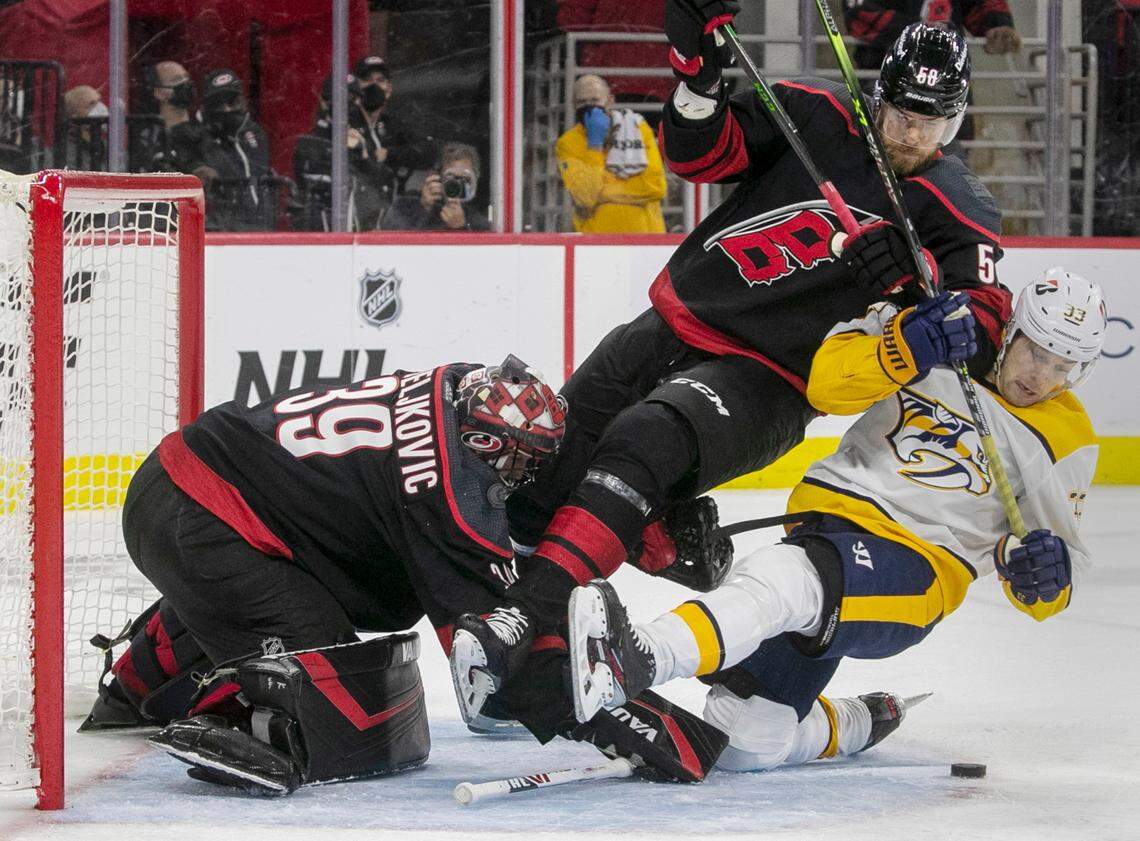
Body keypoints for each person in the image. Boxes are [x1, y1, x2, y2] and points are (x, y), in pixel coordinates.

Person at [449, 9, 1014, 728]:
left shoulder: (954, 207)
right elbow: (697, 153)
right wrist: (696, 71)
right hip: (670, 324)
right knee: (544, 474)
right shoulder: (814, 114)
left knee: (642, 443)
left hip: (768, 379)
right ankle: (528, 674)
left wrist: (917, 275)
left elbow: (984, 323)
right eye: (900, 112)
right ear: (881, 94)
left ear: (956, 123)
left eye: (929, 123)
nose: (909, 133)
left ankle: (520, 624)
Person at [82, 356, 726, 793]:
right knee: (348, 707)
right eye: (518, 463)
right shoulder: (452, 496)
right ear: (487, 449)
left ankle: (138, 677)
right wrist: (634, 723)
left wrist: (639, 526)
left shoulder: (461, 387)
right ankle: (239, 716)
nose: (523, 476)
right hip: (201, 522)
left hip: (189, 491)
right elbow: (493, 659)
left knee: (344, 591)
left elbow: (530, 483)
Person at [567, 268, 1105, 772]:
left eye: (1064, 367)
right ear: (1012, 332)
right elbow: (826, 384)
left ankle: (641, 656)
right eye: (1036, 352)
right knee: (746, 740)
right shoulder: (937, 333)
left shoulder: (1067, 435)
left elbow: (1053, 579)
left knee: (788, 579)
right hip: (829, 523)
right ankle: (854, 722)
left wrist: (1043, 574)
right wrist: (905, 345)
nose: (1043, 376)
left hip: (919, 566)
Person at [555, 74, 667, 233]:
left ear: (610, 101)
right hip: (596, 239)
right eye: (582, 102)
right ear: (574, 105)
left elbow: (655, 188)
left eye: (595, 100)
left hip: (646, 237)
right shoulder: (568, 143)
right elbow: (585, 196)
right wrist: (595, 146)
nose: (589, 107)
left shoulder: (637, 129)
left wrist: (603, 195)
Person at [292, 73, 390, 231]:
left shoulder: (363, 140)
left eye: (352, 99)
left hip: (358, 233)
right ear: (324, 102)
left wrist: (363, 155)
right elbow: (317, 191)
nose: (347, 105)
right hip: (320, 236)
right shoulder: (310, 143)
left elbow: (379, 193)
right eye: (339, 98)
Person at [845, 0, 1021, 73]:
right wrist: (926, 33)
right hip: (886, 73)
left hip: (949, 75)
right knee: (880, 143)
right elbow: (859, 15)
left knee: (954, 144)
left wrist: (998, 25)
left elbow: (981, 5)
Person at [198, 69, 272, 231]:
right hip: (214, 229)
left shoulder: (254, 133)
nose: (227, 110)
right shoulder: (198, 137)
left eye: (232, 101)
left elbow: (254, 178)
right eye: (218, 104)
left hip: (255, 227)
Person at [382, 142, 490, 231]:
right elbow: (388, 233)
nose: (457, 184)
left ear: (474, 181)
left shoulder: (479, 222)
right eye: (451, 177)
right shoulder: (408, 203)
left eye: (465, 178)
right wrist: (423, 207)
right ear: (438, 177)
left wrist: (460, 228)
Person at [144, 61, 206, 176]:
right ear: (158, 93)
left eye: (186, 77)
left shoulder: (205, 130)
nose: (185, 83)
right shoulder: (151, 139)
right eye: (176, 80)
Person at [63, 85, 108, 169]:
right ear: (74, 114)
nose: (101, 108)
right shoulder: (68, 152)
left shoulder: (109, 148)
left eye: (99, 101)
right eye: (91, 104)